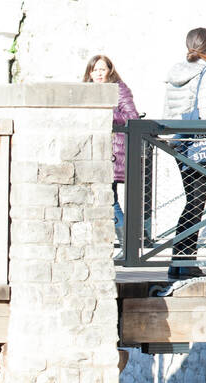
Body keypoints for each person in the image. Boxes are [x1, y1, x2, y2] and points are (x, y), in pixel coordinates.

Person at [163, 27, 206, 280]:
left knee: (192, 201)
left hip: (181, 143)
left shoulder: (175, 73)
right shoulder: (205, 72)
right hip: (201, 145)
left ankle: (180, 260)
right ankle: (184, 261)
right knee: (196, 202)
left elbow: (168, 110)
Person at [84, 54, 139, 249]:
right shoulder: (85, 91)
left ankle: (127, 246)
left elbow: (132, 116)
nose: (98, 73)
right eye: (94, 69)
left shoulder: (119, 89)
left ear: (110, 71)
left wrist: (105, 114)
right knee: (96, 198)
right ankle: (106, 245)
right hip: (90, 153)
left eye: (102, 69)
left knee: (110, 198)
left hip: (113, 151)